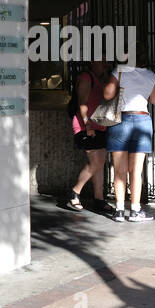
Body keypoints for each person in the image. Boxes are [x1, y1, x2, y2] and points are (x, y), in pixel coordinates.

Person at [104, 43, 155, 223]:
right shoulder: (150, 75)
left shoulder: (119, 72)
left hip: (120, 120)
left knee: (119, 169)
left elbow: (107, 95)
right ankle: (135, 210)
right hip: (141, 120)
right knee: (136, 171)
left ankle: (120, 210)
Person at [66, 59, 111, 212]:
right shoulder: (86, 77)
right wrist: (88, 125)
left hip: (100, 126)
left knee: (100, 163)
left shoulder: (101, 78)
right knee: (95, 162)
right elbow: (82, 103)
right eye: (101, 62)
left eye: (106, 62)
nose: (104, 64)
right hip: (87, 125)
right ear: (92, 63)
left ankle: (99, 199)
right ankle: (75, 192)